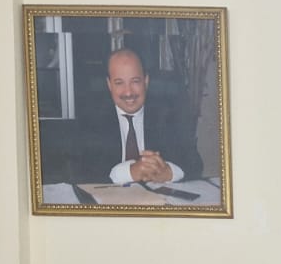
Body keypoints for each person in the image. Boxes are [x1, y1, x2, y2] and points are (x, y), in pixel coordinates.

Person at [42, 48, 202, 186]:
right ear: (109, 84)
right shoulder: (91, 119)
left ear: (146, 81)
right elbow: (77, 172)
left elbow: (194, 164)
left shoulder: (167, 114)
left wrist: (169, 172)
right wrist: (130, 172)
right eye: (119, 83)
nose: (128, 92)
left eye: (135, 81)